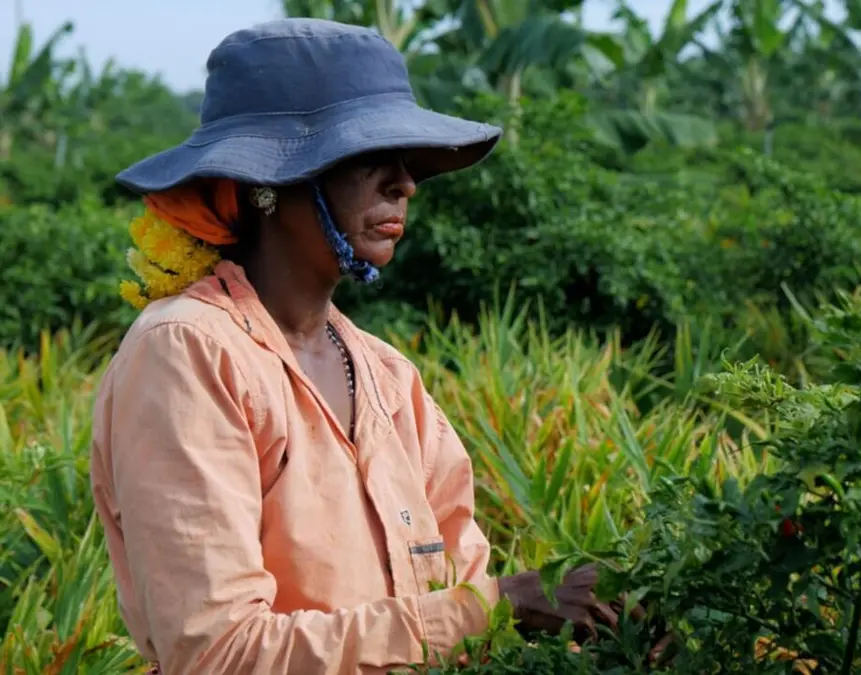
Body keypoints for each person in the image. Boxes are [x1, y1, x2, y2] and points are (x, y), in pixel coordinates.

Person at [89, 19, 618, 675]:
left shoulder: (388, 377)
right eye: (370, 158)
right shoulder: (190, 352)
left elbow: (462, 598)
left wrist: (603, 629)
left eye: (407, 162)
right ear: (267, 182)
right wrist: (501, 605)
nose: (405, 185)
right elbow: (219, 652)